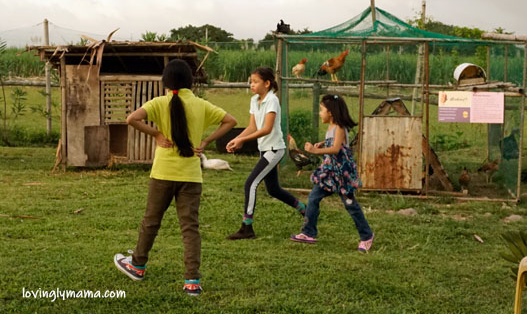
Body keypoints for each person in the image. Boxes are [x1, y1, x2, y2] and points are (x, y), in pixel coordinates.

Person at [113, 59, 237, 295]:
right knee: (190, 228)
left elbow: (131, 119)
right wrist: (206, 141)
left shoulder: (159, 102)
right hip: (191, 176)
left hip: (162, 174)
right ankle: (192, 282)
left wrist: (156, 134)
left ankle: (137, 266)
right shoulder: (202, 105)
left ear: (166, 82)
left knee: (151, 222)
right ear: (191, 81)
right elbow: (231, 121)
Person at [225, 67, 306, 240]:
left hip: (274, 149)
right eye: (250, 82)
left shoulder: (272, 100)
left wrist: (242, 141)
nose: (251, 85)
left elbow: (267, 129)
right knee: (273, 189)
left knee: (250, 184)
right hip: (265, 150)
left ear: (267, 83)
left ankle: (247, 227)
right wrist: (237, 139)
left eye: (255, 82)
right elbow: (252, 127)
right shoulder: (255, 100)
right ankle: (304, 209)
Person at [290, 94, 374, 252]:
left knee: (351, 205)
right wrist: (323, 143)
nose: (319, 113)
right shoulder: (331, 128)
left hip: (342, 175)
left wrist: (316, 150)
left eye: (321, 110)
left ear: (331, 112)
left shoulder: (340, 127)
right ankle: (308, 232)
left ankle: (367, 236)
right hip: (329, 174)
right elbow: (333, 143)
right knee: (313, 197)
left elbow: (336, 149)